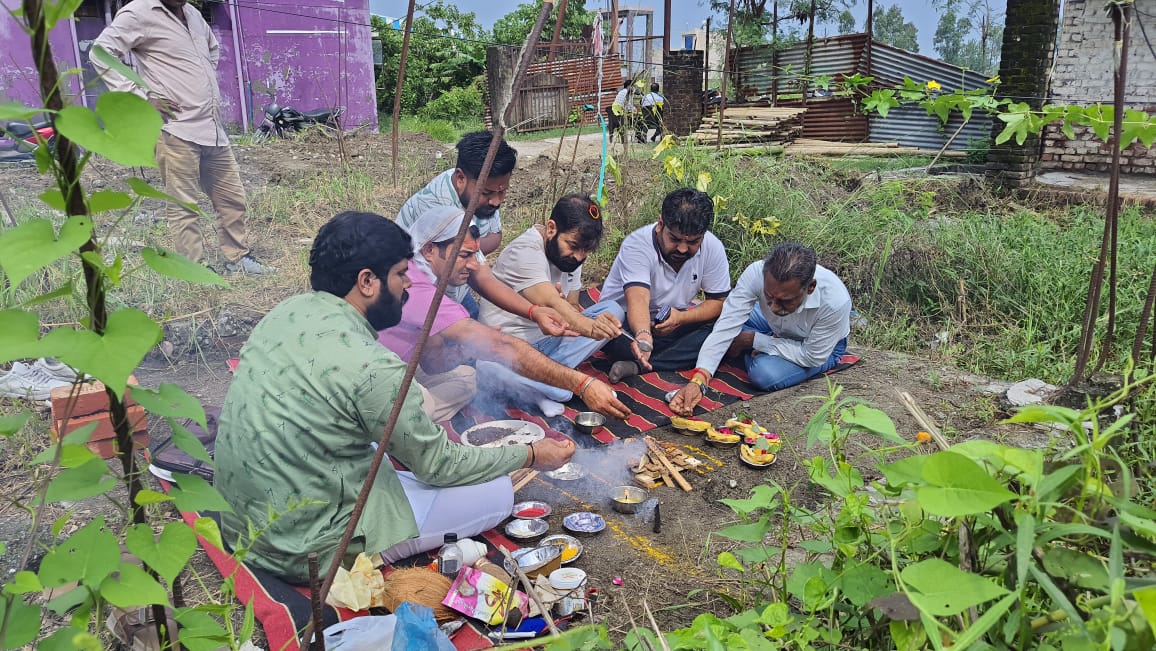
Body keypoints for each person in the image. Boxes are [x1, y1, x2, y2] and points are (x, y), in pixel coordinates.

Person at [214, 212, 576, 583]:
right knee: (497, 492)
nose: (407, 286)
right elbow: (439, 466)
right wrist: (531, 454)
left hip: (245, 526)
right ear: (367, 281)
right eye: (402, 274)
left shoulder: (286, 312)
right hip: (307, 548)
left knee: (391, 458)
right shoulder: (373, 365)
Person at [378, 205, 632, 420]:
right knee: (421, 404)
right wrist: (583, 383)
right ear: (430, 250)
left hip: (410, 367)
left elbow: (432, 362)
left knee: (467, 378)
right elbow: (501, 345)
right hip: (379, 378)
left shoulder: (422, 271)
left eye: (475, 254)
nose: (475, 264)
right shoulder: (415, 286)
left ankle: (537, 380)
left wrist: (469, 349)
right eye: (466, 255)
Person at [91, 0, 271, 275]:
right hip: (175, 129)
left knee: (232, 198)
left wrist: (201, 77)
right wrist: (141, 97)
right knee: (184, 203)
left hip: (212, 128)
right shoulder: (139, 12)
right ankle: (194, 267)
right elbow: (101, 52)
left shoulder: (193, 14)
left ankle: (238, 258)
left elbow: (212, 48)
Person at [478, 194, 625, 413]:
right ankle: (541, 383)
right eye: (573, 246)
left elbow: (571, 309)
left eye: (585, 250)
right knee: (564, 392)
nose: (578, 257)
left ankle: (543, 382)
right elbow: (553, 304)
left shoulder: (572, 258)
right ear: (551, 228)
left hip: (548, 343)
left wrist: (575, 313)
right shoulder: (525, 252)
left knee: (613, 310)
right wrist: (591, 327)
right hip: (512, 348)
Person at [669, 242, 852, 416]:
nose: (773, 307)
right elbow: (727, 324)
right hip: (771, 326)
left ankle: (750, 350)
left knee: (764, 374)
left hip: (814, 348)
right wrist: (699, 379)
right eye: (768, 296)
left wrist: (753, 340)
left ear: (810, 287)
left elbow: (811, 355)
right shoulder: (756, 273)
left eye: (785, 300)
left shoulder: (835, 302)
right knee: (717, 316)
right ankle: (750, 349)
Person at [599, 188, 732, 383]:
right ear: (661, 224)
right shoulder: (637, 245)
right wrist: (644, 336)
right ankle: (666, 356)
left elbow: (720, 302)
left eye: (693, 242)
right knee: (616, 339)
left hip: (672, 323)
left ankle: (640, 367)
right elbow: (638, 298)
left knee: (726, 328)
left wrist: (682, 318)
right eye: (675, 239)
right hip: (628, 325)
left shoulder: (713, 247)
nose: (683, 249)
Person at [397, 131, 514, 317]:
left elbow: (495, 236)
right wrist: (533, 312)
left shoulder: (480, 192)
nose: (496, 201)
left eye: (502, 192)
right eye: (487, 193)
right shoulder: (435, 208)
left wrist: (464, 250)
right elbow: (480, 276)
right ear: (460, 179)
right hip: (418, 294)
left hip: (454, 284)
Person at [606, 79, 635, 145]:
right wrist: (633, 109)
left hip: (613, 112)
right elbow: (628, 106)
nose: (634, 88)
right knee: (636, 119)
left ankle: (612, 139)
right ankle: (634, 138)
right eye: (633, 86)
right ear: (629, 86)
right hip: (620, 113)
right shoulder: (627, 93)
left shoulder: (621, 92)